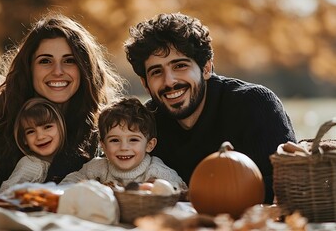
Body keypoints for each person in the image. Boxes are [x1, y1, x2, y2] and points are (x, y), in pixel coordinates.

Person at [0, 13, 125, 195]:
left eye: (69, 60)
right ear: (29, 68)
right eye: (45, 61)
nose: (57, 71)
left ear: (85, 69)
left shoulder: (100, 127)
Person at [124, 13, 296, 204]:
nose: (169, 81)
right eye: (156, 72)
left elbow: (284, 185)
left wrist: (202, 196)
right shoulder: (146, 123)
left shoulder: (254, 104)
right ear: (145, 83)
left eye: (180, 65)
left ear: (206, 68)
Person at [60, 97, 187, 192]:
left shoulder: (156, 171)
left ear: (150, 144)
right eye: (115, 140)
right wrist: (88, 188)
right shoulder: (97, 168)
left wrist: (160, 189)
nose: (124, 147)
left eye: (133, 140)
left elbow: (181, 190)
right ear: (103, 145)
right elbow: (67, 184)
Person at [0, 98, 66, 194]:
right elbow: (5, 193)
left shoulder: (68, 160)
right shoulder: (30, 164)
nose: (40, 136)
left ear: (61, 127)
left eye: (47, 127)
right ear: (24, 140)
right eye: (31, 131)